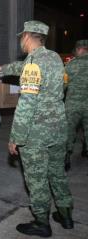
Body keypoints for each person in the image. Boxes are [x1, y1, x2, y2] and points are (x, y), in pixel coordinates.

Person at [0, 21, 74, 237]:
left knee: (36, 179)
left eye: (21, 37)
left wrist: (15, 137)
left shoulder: (33, 63)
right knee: (57, 174)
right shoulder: (54, 57)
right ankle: (65, 215)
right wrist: (1, 69)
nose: (20, 41)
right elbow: (61, 84)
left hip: (36, 133)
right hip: (58, 128)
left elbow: (26, 103)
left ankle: (41, 222)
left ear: (27, 36)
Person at [64, 39, 88, 171]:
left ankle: (66, 159)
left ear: (79, 49)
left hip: (73, 105)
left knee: (69, 131)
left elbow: (63, 84)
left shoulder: (71, 65)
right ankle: (85, 149)